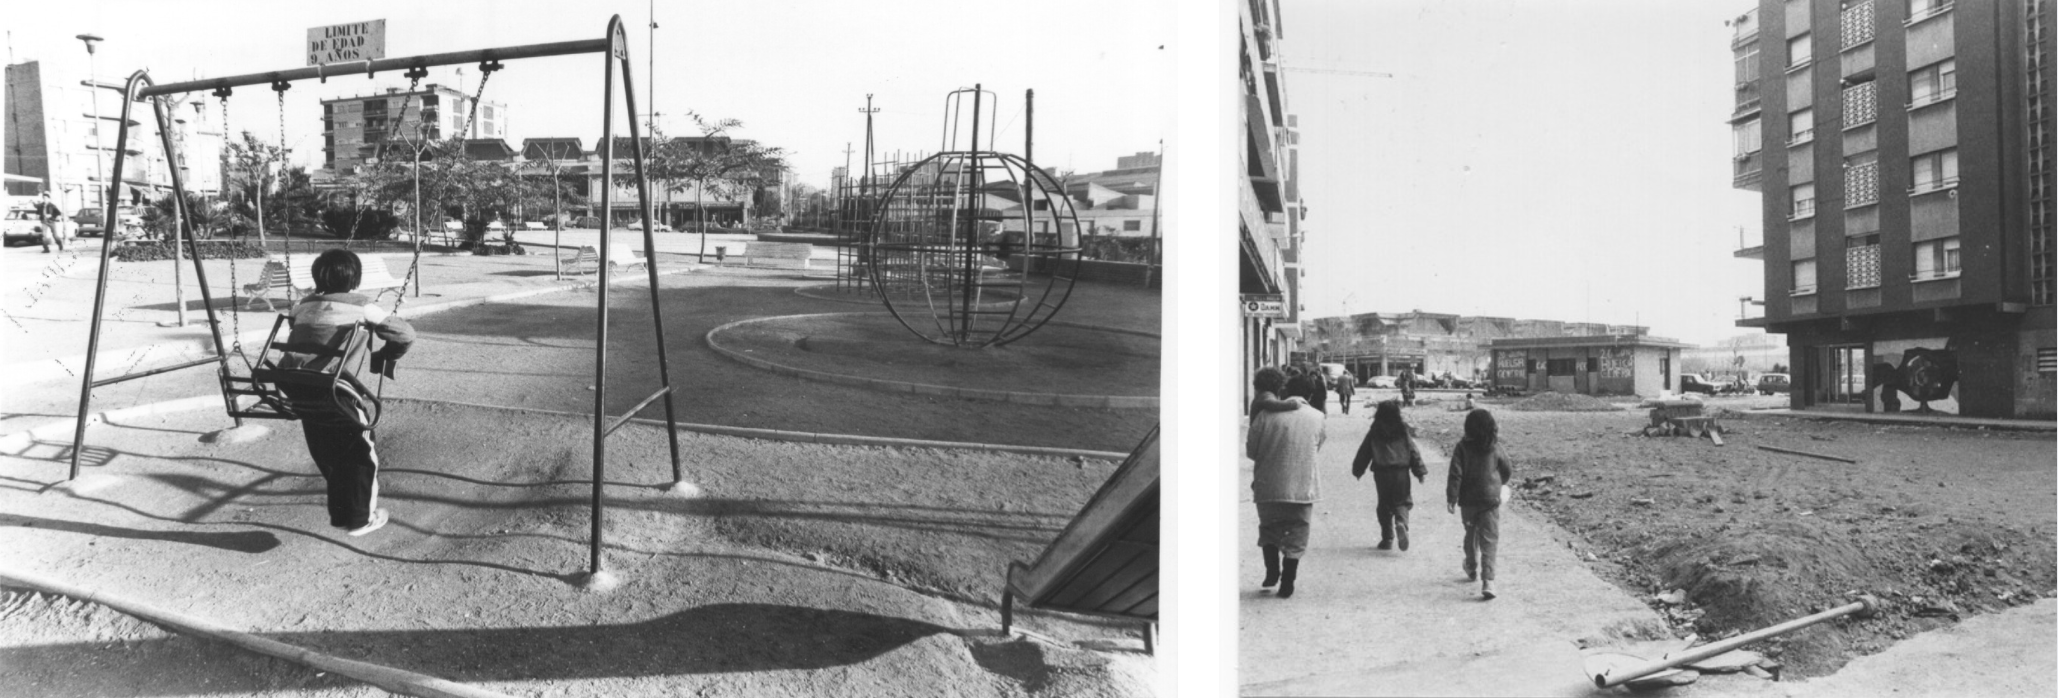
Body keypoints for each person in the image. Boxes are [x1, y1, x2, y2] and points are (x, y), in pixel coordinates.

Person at [280, 249, 415, 536]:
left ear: (317, 277)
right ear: (355, 279)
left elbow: (302, 331)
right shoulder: (364, 307)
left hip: (296, 386)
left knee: (327, 451)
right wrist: (386, 354)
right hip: (335, 390)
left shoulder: (301, 306)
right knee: (361, 453)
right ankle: (360, 520)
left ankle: (343, 514)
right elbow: (405, 335)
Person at [1248, 368, 1327, 599]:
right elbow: (1317, 446)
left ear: (1284, 391)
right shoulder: (1317, 417)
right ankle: (1288, 582)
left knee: (1269, 529)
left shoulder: (1264, 415)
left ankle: (1272, 570)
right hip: (1303, 487)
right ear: (1310, 395)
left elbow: (1251, 451)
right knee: (1298, 533)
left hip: (1268, 486)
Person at [1447, 408, 1513, 599]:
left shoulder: (1461, 447)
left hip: (1468, 502)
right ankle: (1488, 581)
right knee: (1489, 540)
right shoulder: (1495, 447)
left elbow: (1455, 474)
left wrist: (1452, 497)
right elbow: (1507, 469)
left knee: (1471, 534)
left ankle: (1470, 565)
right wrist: (1499, 483)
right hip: (1490, 501)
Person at [1351, 400, 1426, 551]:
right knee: (1402, 501)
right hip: (1401, 472)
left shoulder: (1375, 430)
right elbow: (1413, 450)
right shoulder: (1402, 430)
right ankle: (1401, 522)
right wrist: (1419, 471)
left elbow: (1364, 451)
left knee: (1384, 504)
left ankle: (1387, 538)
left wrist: (1358, 470)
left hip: (1382, 473)